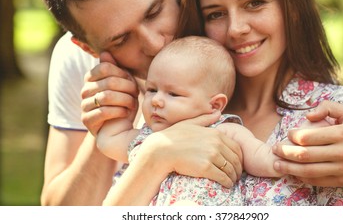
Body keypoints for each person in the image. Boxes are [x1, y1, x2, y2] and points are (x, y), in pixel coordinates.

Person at [102, 0, 343, 205]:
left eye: (254, 3)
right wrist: (156, 156)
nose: (236, 29)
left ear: (292, 8)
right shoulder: (171, 110)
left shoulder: (333, 115)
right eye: (215, 14)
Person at [39, 0, 242, 206]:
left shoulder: (223, 27)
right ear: (87, 48)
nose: (156, 45)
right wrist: (106, 124)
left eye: (154, 12)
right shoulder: (77, 61)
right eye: (122, 39)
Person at [97, 36, 290, 205]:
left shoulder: (221, 130)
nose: (156, 100)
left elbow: (257, 155)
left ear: (214, 105)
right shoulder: (148, 137)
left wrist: (283, 161)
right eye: (152, 89)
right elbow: (109, 141)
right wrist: (114, 98)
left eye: (173, 94)